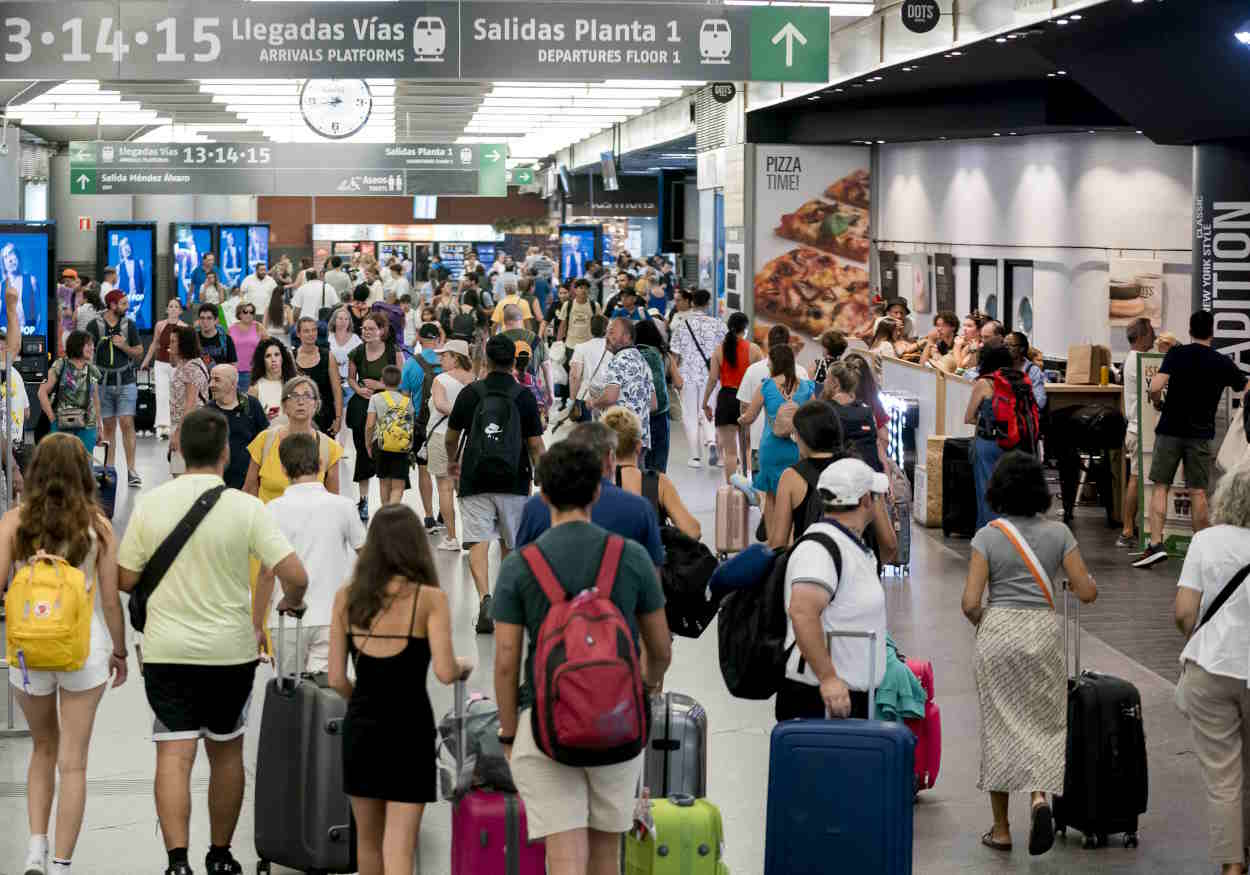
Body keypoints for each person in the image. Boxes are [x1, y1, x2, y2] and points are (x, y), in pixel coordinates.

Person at [118, 407, 309, 875]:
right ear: (226, 453)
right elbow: (295, 575)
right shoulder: (246, 509)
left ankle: (177, 861)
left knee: (174, 751)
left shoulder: (152, 506)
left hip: (166, 651)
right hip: (231, 651)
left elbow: (124, 579)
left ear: (178, 449)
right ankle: (221, 856)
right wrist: (286, 604)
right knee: (226, 751)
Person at [491, 441, 671, 875]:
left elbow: (505, 659)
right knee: (607, 855)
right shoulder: (631, 557)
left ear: (543, 495)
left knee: (565, 856)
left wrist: (511, 734)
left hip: (546, 722)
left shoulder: (521, 565)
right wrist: (644, 689)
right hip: (619, 721)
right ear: (597, 491)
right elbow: (660, 648)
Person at [961, 451, 1097, 856]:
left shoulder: (987, 536)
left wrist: (989, 620)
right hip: (1041, 632)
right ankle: (1039, 798)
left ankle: (1001, 829)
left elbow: (970, 602)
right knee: (1043, 721)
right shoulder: (1059, 534)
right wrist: (1089, 584)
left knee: (999, 723)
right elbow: (1085, 591)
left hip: (999, 630)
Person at [5, 434, 128, 875]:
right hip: (84, 649)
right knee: (73, 762)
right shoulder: (99, 526)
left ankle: (34, 849)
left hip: (28, 651)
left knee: (42, 748)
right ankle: (61, 864)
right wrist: (120, 651)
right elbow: (111, 600)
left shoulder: (13, 523)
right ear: (84, 474)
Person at [327, 505, 471, 875]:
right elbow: (443, 671)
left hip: (362, 729)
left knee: (368, 845)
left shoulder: (346, 598)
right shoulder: (429, 599)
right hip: (410, 731)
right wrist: (462, 667)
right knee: (400, 848)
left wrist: (359, 697)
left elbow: (336, 679)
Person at [1173, 462, 1250, 874]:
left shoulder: (1206, 541)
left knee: (1224, 776)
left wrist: (1201, 636)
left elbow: (1185, 611)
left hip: (1213, 667)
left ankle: (1232, 866)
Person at [444, 334, 546, 634]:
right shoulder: (523, 396)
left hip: (475, 476)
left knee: (478, 539)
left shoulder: (471, 393)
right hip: (514, 479)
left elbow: (451, 436)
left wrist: (453, 460)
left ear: (485, 361)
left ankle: (484, 598)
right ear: (514, 361)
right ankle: (506, 599)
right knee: (510, 542)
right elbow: (536, 445)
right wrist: (542, 473)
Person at [1135, 310, 1248, 569]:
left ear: (1189, 330)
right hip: (1200, 435)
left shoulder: (1177, 353)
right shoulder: (1221, 361)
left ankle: (1155, 545)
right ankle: (1201, 550)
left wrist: (1157, 401)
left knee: (1161, 485)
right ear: (1212, 333)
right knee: (1198, 491)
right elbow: (1246, 386)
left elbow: (1154, 387)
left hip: (1170, 429)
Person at [780, 457, 889, 723]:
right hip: (823, 700)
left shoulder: (850, 544)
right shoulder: (819, 549)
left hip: (846, 697)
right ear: (865, 500)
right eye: (877, 497)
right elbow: (803, 612)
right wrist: (828, 678)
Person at [255, 433, 367, 678]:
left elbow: (266, 573)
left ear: (283, 470)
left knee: (290, 699)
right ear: (321, 466)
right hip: (332, 617)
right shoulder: (343, 507)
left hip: (286, 621)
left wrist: (256, 626)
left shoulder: (272, 511)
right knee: (326, 700)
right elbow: (368, 559)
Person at [514, 420, 668, 562]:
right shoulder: (640, 509)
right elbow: (654, 574)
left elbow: (519, 566)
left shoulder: (534, 507)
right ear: (610, 458)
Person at [741, 345, 816, 537]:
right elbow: (815, 414)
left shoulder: (766, 386)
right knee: (794, 496)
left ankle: (773, 544)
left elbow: (749, 418)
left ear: (776, 363)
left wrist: (740, 420)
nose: (767, 363)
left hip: (771, 448)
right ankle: (791, 539)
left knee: (772, 498)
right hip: (796, 448)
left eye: (770, 360)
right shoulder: (806, 387)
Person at [601, 406, 700, 541]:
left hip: (610, 559)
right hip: (650, 559)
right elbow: (693, 531)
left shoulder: (596, 487)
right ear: (639, 446)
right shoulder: (658, 482)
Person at [244, 375, 344, 504]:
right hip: (270, 521)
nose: (301, 402)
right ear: (284, 406)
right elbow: (250, 488)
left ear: (316, 405)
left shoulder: (330, 447)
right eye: (294, 396)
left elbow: (333, 501)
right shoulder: (264, 440)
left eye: (307, 396)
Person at [347, 313, 406, 523]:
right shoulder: (357, 352)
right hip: (362, 407)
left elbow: (401, 379)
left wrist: (379, 386)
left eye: (371, 329)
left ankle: (388, 506)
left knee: (386, 455)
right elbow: (350, 378)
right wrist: (358, 390)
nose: (367, 332)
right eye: (364, 329)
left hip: (387, 409)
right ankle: (363, 500)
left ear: (381, 330)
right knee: (363, 453)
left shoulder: (393, 352)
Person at [769, 400, 845, 549]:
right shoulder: (856, 468)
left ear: (803, 436)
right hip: (853, 566)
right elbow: (890, 544)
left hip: (808, 564)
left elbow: (778, 543)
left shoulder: (791, 477)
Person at [86, 289, 143, 485]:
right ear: (112, 305)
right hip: (102, 382)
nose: (127, 307)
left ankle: (131, 470)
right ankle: (109, 470)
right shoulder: (95, 325)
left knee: (127, 422)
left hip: (126, 380)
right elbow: (86, 351)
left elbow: (138, 352)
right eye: (124, 304)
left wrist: (123, 346)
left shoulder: (129, 325)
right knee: (108, 427)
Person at [426, 339, 474, 553]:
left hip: (442, 437)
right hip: (468, 439)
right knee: (464, 490)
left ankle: (452, 537)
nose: (440, 359)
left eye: (444, 355)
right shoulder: (475, 380)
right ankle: (472, 537)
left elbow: (439, 405)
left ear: (455, 357)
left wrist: (457, 413)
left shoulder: (440, 380)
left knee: (444, 488)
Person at [669, 289, 726, 469]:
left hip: (688, 375)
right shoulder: (718, 325)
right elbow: (725, 353)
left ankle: (694, 457)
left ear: (692, 303)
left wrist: (674, 376)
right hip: (712, 375)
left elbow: (675, 356)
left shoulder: (682, 325)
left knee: (690, 415)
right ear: (708, 304)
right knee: (711, 411)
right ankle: (711, 442)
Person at [964, 343, 1017, 531]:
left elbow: (968, 417)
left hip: (988, 443)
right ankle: (1012, 533)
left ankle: (989, 534)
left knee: (987, 491)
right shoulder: (1017, 381)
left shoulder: (984, 383)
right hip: (1014, 443)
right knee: (1009, 491)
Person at [740, 324, 811, 463]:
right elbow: (810, 409)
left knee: (761, 481)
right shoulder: (801, 372)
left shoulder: (754, 371)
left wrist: (745, 427)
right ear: (789, 344)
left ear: (768, 342)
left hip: (760, 440)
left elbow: (744, 405)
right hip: (796, 442)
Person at [1118, 317, 1156, 548]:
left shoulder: (1132, 359)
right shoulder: (1140, 360)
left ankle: (1132, 526)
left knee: (1137, 478)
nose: (1154, 336)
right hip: (1139, 429)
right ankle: (1127, 529)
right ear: (1141, 336)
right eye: (1151, 332)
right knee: (1135, 479)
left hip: (1136, 427)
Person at [401, 323, 443, 529]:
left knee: (424, 471)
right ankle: (445, 511)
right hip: (445, 423)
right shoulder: (448, 361)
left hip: (421, 424)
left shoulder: (411, 363)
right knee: (445, 471)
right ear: (437, 339)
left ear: (419, 338)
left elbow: (405, 398)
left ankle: (428, 515)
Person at [594, 318, 656, 449]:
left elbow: (610, 397)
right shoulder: (642, 361)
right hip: (641, 440)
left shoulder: (618, 360)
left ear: (627, 337)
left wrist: (593, 403)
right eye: (607, 333)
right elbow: (653, 404)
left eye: (611, 332)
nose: (607, 337)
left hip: (620, 440)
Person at [39, 330, 102, 453]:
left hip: (88, 426)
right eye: (88, 345)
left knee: (84, 466)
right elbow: (41, 392)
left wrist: (100, 426)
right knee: (61, 465)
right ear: (77, 345)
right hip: (62, 425)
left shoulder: (93, 370)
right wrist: (52, 418)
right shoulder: (60, 365)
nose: (92, 348)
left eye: (92, 345)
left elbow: (96, 400)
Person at [207, 364, 268, 491]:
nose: (211, 385)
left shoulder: (250, 405)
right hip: (216, 485)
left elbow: (264, 441)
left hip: (250, 484)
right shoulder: (208, 411)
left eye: (217, 380)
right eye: (210, 379)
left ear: (233, 384)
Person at [364, 365, 414, 507]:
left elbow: (369, 425)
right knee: (398, 486)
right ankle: (393, 512)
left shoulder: (375, 398)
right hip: (401, 445)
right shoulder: (407, 401)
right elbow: (410, 426)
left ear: (382, 380)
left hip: (380, 444)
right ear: (400, 382)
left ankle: (385, 514)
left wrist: (368, 443)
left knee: (384, 482)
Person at [635, 318, 678, 473]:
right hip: (660, 411)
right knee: (658, 463)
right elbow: (679, 382)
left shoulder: (633, 355)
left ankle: (640, 493)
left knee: (639, 461)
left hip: (638, 414)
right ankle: (655, 493)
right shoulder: (664, 355)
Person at [140, 298, 187, 439]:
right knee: (161, 395)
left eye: (176, 307)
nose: (173, 309)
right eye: (170, 306)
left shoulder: (184, 327)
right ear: (167, 309)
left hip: (176, 365)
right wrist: (146, 361)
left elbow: (185, 349)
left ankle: (177, 424)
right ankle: (162, 426)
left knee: (177, 394)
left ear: (180, 311)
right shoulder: (160, 325)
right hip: (160, 364)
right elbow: (154, 344)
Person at [167, 325, 210, 476]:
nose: (169, 345)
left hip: (189, 428)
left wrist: (178, 434)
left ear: (183, 344)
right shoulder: (186, 363)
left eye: (173, 342)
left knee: (181, 474)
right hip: (186, 425)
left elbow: (190, 404)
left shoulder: (191, 368)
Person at [294, 316, 343, 437]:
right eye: (306, 331)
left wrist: (338, 418)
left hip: (325, 415)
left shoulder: (328, 356)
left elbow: (337, 390)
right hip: (299, 415)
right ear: (298, 334)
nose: (311, 334)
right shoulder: (291, 357)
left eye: (314, 330)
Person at [568, 313, 612, 416]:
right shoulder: (613, 349)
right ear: (607, 329)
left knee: (585, 431)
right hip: (607, 398)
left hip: (585, 397)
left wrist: (572, 400)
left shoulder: (581, 348)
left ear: (590, 329)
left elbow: (575, 376)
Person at [247, 337, 297, 427]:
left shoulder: (294, 384)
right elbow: (249, 421)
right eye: (268, 356)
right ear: (262, 361)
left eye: (277, 354)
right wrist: (263, 418)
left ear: (283, 357)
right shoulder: (255, 389)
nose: (273, 359)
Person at [556, 278, 601, 354]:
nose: (583, 290)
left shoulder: (595, 306)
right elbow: (562, 325)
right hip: (571, 345)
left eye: (586, 288)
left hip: (588, 345)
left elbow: (600, 324)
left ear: (589, 290)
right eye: (581, 288)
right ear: (575, 290)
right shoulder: (567, 305)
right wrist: (558, 343)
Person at [1007, 331, 1048, 412]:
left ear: (1021, 349)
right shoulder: (999, 366)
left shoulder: (1032, 370)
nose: (1005, 348)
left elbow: (1040, 401)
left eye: (1010, 345)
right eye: (1004, 345)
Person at [226, 301, 262, 392]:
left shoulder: (258, 327)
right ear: (239, 313)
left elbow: (268, 346)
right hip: (233, 372)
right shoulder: (231, 329)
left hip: (253, 372)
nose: (248, 314)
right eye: (245, 312)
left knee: (249, 401)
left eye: (251, 312)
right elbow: (227, 350)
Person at [195, 303, 237, 369]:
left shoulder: (226, 339)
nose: (205, 321)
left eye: (209, 318)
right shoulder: (193, 339)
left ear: (216, 320)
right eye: (202, 318)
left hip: (221, 377)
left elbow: (233, 364)